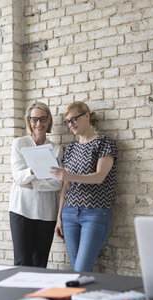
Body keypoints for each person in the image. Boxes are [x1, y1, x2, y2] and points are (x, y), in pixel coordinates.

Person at [50, 101, 117, 272]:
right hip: (69, 213)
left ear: (87, 116)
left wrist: (69, 176)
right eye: (68, 121)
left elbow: (99, 177)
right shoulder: (71, 149)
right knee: (77, 270)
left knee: (81, 269)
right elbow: (65, 187)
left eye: (74, 119)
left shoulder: (103, 143)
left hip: (95, 212)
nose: (71, 124)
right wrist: (59, 217)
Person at [9, 102, 63, 268]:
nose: (38, 124)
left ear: (48, 121)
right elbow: (18, 177)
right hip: (21, 210)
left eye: (42, 119)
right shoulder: (19, 143)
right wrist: (34, 170)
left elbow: (57, 183)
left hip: (46, 213)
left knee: (40, 264)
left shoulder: (57, 149)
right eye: (34, 119)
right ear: (29, 121)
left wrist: (32, 185)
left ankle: (37, 295)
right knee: (21, 262)